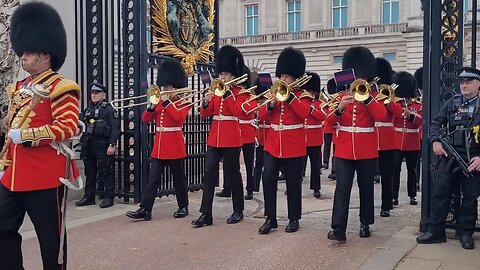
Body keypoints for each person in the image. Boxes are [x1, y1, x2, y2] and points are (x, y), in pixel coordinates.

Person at [0, 2, 81, 269]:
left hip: (44, 176)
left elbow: (67, 127)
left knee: (50, 239)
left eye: (28, 52)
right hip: (12, 175)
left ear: (44, 55)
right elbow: (10, 129)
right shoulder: (19, 87)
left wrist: (28, 135)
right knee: (3, 230)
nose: (22, 57)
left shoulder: (61, 87)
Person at [327, 46, 387, 242]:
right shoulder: (340, 97)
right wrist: (340, 108)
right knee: (342, 188)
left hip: (367, 150)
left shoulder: (374, 97)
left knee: (366, 187)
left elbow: (381, 116)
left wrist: (367, 98)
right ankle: (338, 228)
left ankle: (365, 223)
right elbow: (327, 123)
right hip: (344, 150)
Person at [417, 66, 480, 250]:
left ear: (478, 84)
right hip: (450, 154)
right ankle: (435, 231)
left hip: (473, 158)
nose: (464, 85)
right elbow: (435, 123)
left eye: (468, 82)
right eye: (461, 82)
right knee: (440, 193)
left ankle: (466, 233)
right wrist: (436, 141)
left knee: (469, 197)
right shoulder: (453, 102)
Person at [126, 58, 191, 221]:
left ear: (175, 87)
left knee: (179, 179)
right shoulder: (159, 102)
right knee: (153, 178)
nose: (165, 89)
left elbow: (178, 119)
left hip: (174, 146)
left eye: (168, 86)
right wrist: (152, 106)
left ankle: (183, 206)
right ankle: (145, 209)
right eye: (164, 86)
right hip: (159, 146)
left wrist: (167, 102)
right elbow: (145, 119)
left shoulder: (183, 103)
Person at [257, 47, 311, 234]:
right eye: (282, 76)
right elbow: (261, 117)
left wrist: (289, 99)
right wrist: (271, 104)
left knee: (293, 183)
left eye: (287, 77)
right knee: (268, 178)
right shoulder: (273, 94)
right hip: (273, 144)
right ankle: (270, 218)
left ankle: (293, 218)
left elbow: (304, 114)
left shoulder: (302, 96)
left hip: (293, 144)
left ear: (295, 78)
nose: (284, 80)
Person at [192, 45, 247, 227]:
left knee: (233, 174)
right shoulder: (216, 90)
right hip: (215, 138)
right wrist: (206, 102)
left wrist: (228, 94)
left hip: (231, 138)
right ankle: (206, 214)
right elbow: (205, 114)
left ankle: (238, 210)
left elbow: (239, 112)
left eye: (225, 74)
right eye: (221, 73)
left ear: (233, 74)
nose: (222, 77)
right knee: (208, 174)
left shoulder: (239, 92)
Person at [76, 83, 121, 208]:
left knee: (105, 171)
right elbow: (80, 125)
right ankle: (88, 197)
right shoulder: (87, 110)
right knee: (89, 173)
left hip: (103, 145)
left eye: (97, 93)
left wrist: (112, 144)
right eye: (92, 93)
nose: (94, 95)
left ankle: (108, 197)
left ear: (103, 95)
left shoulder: (109, 109)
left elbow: (115, 128)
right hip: (89, 145)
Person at [373, 57, 403, 218]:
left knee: (387, 175)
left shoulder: (390, 98)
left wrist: (388, 100)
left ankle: (386, 204)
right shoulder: (368, 95)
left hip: (387, 141)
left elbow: (399, 115)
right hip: (370, 140)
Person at [391, 71, 422, 206]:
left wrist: (410, 115)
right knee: (395, 169)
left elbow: (420, 121)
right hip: (397, 140)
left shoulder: (417, 104)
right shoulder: (395, 103)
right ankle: (393, 196)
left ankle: (412, 195)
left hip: (412, 141)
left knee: (412, 170)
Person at [303, 72, 326, 198]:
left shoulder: (319, 104)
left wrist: (311, 109)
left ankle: (316, 188)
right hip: (302, 137)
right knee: (299, 166)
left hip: (315, 138)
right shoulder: (302, 102)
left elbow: (323, 116)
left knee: (315, 166)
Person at [323, 78, 338, 180]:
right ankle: (325, 162)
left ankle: (334, 170)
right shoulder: (329, 101)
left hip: (337, 129)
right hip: (328, 127)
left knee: (336, 150)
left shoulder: (338, 99)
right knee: (327, 146)